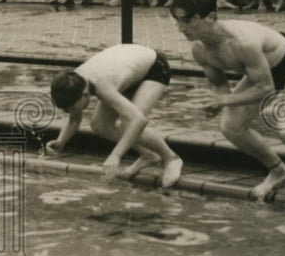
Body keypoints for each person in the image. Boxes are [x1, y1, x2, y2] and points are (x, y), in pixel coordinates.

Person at [170, 0, 285, 205]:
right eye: (177, 21)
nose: (180, 28)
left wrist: (224, 100)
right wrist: (218, 103)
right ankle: (278, 170)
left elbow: (265, 89)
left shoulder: (243, 42)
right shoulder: (199, 49)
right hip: (262, 73)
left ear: (211, 17)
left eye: (187, 21)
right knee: (230, 127)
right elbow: (218, 84)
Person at [47, 44, 183, 187]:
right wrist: (60, 142)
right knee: (99, 125)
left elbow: (139, 120)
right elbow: (74, 118)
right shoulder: (73, 82)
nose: (70, 113)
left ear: (85, 95)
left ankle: (171, 158)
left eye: (72, 108)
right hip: (128, 70)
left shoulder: (102, 86)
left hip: (154, 67)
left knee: (128, 123)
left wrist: (115, 155)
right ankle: (149, 155)